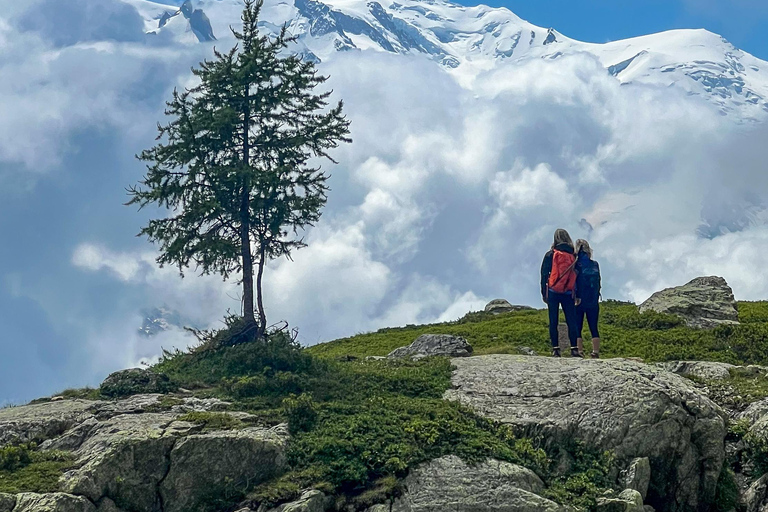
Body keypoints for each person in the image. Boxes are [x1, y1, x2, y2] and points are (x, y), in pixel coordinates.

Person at [540, 229, 581, 358]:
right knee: (571, 320)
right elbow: (578, 275)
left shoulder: (550, 254)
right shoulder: (574, 256)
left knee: (554, 320)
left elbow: (543, 274)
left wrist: (543, 292)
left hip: (553, 290)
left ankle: (556, 349)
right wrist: (577, 294)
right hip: (568, 291)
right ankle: (574, 349)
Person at [574, 239, 602, 358]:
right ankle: (595, 352)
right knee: (593, 326)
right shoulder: (595, 264)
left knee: (577, 326)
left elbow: (575, 282)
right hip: (593, 299)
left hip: (578, 300)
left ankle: (579, 351)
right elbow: (599, 281)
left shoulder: (576, 264)